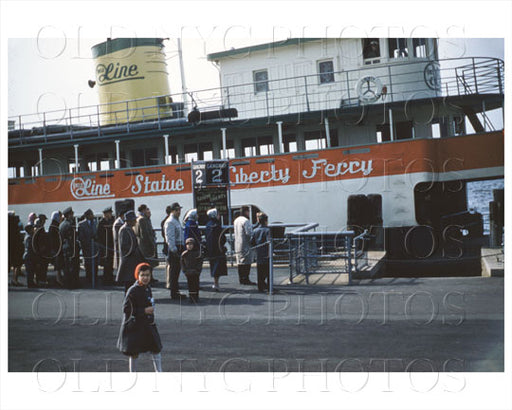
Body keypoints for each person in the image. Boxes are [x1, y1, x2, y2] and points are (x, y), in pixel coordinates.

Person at [117, 262, 162, 372]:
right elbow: (126, 309)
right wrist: (144, 311)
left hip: (147, 324)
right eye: (143, 275)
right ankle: (133, 374)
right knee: (134, 352)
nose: (145, 278)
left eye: (148, 275)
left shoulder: (147, 288)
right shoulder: (133, 290)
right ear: (138, 275)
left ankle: (159, 372)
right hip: (135, 326)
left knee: (156, 348)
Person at [116, 210, 146, 293]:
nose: (135, 221)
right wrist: (135, 251)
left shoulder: (129, 229)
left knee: (131, 283)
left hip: (132, 261)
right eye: (134, 220)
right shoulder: (124, 230)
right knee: (129, 284)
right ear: (129, 221)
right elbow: (124, 246)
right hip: (128, 261)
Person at [164, 202, 186, 300]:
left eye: (179, 210)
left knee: (176, 271)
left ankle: (175, 291)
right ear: (172, 211)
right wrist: (174, 250)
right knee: (174, 271)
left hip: (179, 246)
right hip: (175, 248)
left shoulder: (176, 220)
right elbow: (170, 238)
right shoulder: (170, 222)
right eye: (177, 210)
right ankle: (174, 293)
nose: (179, 212)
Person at [205, 208, 227, 291]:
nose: (219, 215)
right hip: (218, 249)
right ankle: (216, 283)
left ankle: (216, 283)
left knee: (214, 266)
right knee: (217, 267)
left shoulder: (208, 224)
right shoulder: (216, 225)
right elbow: (221, 237)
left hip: (211, 249)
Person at [60, 207, 81, 289]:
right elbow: (71, 238)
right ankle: (72, 284)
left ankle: (68, 283)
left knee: (67, 267)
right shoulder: (69, 225)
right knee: (73, 267)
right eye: (72, 214)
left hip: (65, 248)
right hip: (71, 249)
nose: (73, 215)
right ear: (69, 215)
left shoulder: (62, 224)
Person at [234, 205, 255, 285]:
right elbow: (249, 233)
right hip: (245, 243)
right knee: (246, 262)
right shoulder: (246, 221)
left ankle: (241, 278)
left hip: (237, 243)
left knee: (239, 262)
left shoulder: (236, 220)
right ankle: (246, 278)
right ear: (246, 212)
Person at [78, 209, 98, 285]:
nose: (93, 216)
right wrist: (87, 245)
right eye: (91, 214)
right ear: (87, 216)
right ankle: (89, 279)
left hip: (94, 248)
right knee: (88, 264)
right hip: (87, 248)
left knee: (95, 264)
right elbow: (81, 237)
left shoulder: (95, 223)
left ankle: (95, 279)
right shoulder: (81, 224)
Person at [252, 212, 271, 293]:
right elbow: (269, 241)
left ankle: (260, 286)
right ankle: (269, 286)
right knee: (268, 271)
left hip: (258, 253)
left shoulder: (255, 230)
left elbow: (251, 241)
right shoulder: (267, 230)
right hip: (266, 253)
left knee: (260, 271)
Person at [181, 238, 203, 303]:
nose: (189, 246)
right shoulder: (184, 254)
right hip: (188, 272)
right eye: (188, 244)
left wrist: (198, 270)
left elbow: (200, 262)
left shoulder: (197, 253)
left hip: (195, 272)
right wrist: (184, 270)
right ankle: (191, 296)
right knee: (190, 285)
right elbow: (182, 263)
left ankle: (196, 296)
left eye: (191, 244)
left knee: (196, 284)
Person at [97, 207, 115, 285]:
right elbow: (99, 235)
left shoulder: (112, 221)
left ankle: (110, 278)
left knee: (111, 263)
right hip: (104, 246)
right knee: (106, 263)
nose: (111, 214)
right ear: (106, 214)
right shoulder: (101, 222)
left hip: (111, 245)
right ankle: (106, 279)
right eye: (109, 213)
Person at [8, 211, 24, 286]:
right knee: (17, 265)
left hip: (10, 248)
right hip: (16, 247)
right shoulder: (15, 226)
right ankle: (15, 280)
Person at [48, 211, 64, 286]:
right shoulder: (54, 226)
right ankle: (58, 279)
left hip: (56, 247)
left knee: (59, 264)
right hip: (56, 248)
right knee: (58, 264)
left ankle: (59, 278)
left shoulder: (53, 225)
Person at [33, 217, 50, 286]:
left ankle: (39, 279)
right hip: (40, 252)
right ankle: (40, 280)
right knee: (41, 267)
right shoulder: (39, 230)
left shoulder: (37, 230)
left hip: (41, 251)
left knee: (41, 267)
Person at [23, 224, 37, 288]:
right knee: (30, 270)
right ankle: (30, 283)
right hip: (29, 255)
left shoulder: (29, 236)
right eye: (32, 228)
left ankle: (31, 282)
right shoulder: (29, 237)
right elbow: (29, 247)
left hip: (29, 255)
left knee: (31, 270)